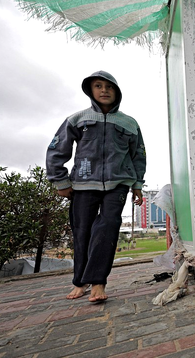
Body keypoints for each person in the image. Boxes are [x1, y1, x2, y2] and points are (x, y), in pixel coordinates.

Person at [46, 70, 146, 302]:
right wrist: (60, 181)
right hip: (82, 184)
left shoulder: (129, 123)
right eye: (98, 86)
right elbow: (56, 149)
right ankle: (80, 281)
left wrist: (137, 185)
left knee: (107, 228)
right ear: (90, 91)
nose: (104, 90)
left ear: (117, 92)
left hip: (118, 184)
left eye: (109, 87)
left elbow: (138, 156)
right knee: (82, 233)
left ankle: (98, 282)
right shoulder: (77, 119)